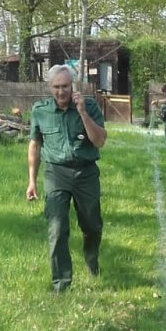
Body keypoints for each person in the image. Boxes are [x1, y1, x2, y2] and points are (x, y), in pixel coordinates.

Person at [27, 65, 107, 292]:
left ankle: (92, 260)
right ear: (49, 88)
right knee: (57, 227)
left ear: (73, 86)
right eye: (56, 87)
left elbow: (100, 141)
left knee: (92, 225)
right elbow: (35, 145)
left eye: (64, 86)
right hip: (56, 173)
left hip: (85, 172)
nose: (60, 92)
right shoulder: (40, 110)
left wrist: (82, 112)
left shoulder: (89, 105)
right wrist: (32, 181)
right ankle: (61, 283)